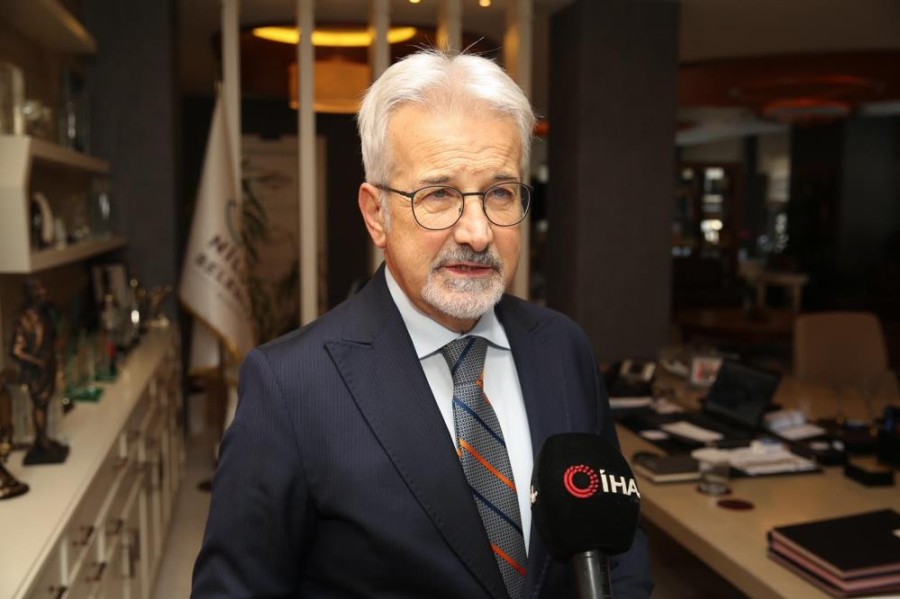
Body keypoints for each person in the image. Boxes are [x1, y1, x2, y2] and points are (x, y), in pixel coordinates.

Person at [193, 48, 653, 598]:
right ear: (376, 214)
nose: (477, 232)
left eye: (500, 193)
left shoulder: (563, 348)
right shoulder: (289, 386)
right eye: (439, 194)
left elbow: (617, 538)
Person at [8, 278, 68, 465]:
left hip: (48, 367)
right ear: (30, 294)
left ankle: (43, 439)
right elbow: (16, 351)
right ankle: (41, 441)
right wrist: (37, 362)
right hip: (36, 371)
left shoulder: (44, 314)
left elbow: (51, 336)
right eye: (38, 290)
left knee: (45, 403)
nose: (43, 293)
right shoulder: (22, 319)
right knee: (39, 404)